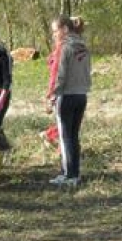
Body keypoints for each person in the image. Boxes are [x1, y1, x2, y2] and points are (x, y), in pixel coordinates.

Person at [45, 15, 91, 186]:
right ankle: (75, 173)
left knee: (65, 138)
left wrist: (51, 96)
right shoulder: (83, 46)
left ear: (65, 29)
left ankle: (68, 175)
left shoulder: (64, 48)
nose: (54, 35)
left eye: (55, 31)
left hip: (66, 96)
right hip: (82, 95)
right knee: (73, 136)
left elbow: (60, 75)